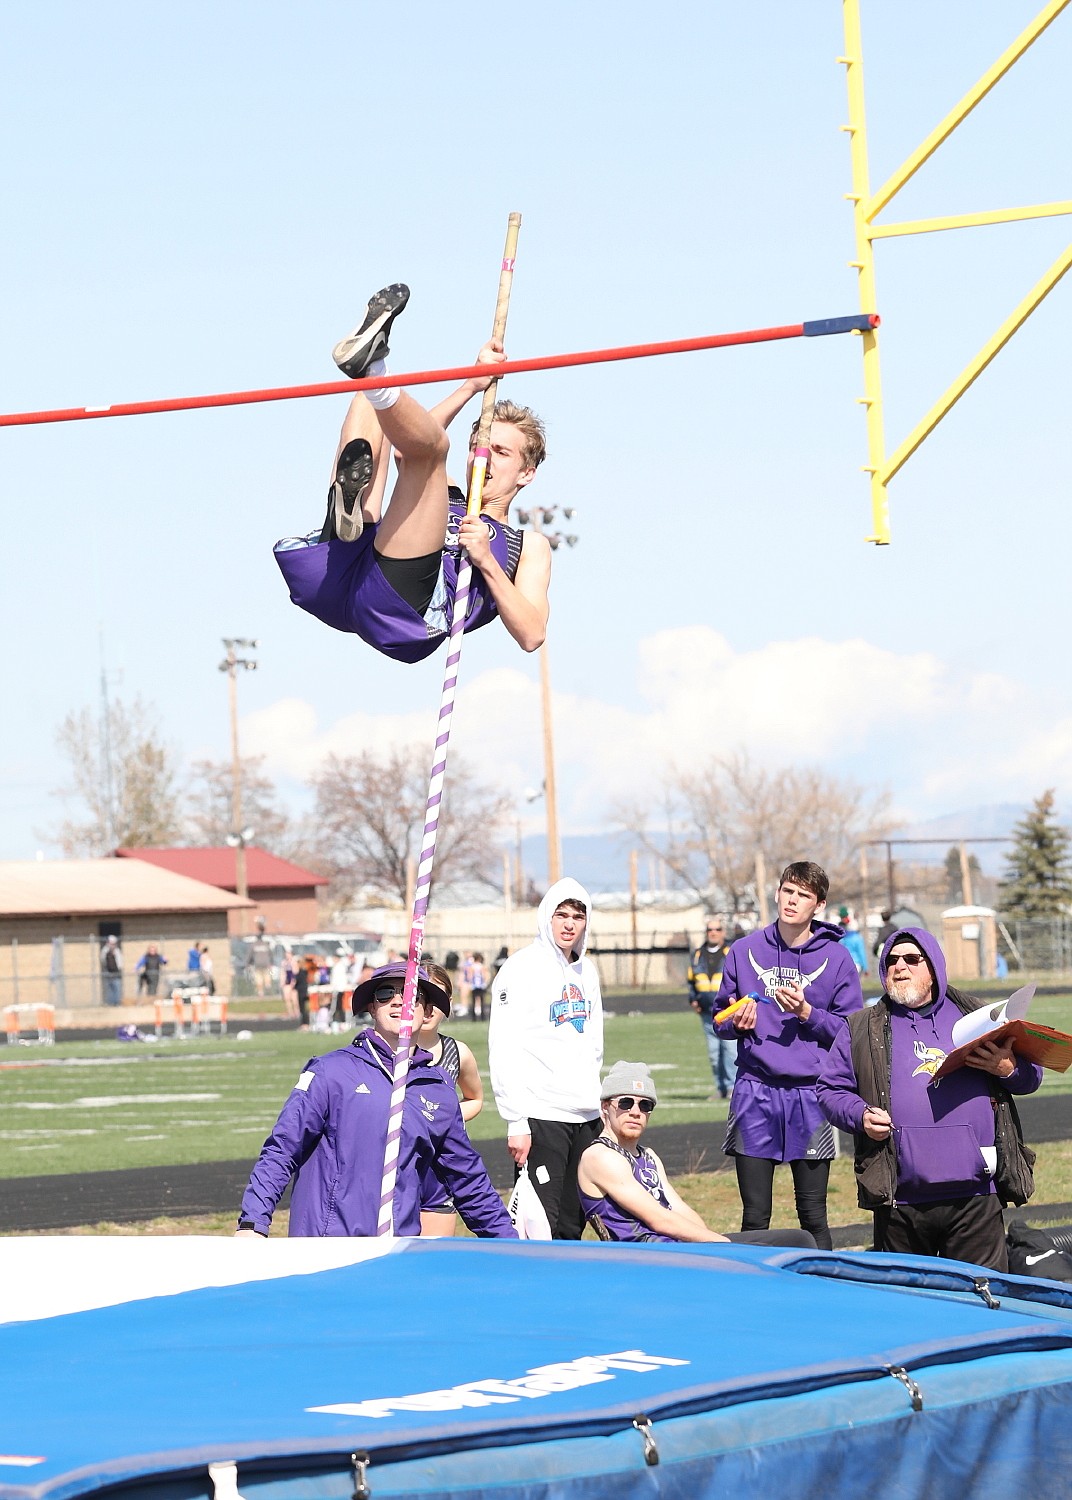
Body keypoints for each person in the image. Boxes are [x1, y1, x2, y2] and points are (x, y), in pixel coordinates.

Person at [274, 284, 551, 664]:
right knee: (374, 404)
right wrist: (471, 385)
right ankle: (349, 512)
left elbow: (532, 634)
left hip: (402, 611)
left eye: (499, 452)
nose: (481, 458)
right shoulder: (448, 494)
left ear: (526, 474)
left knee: (430, 451)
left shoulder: (528, 546)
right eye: (477, 447)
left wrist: (485, 559)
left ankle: (373, 371)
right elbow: (406, 447)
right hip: (346, 578)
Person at [817, 927, 1040, 1271]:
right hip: (900, 1197)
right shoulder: (860, 1027)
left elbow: (1031, 1077)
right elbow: (830, 1091)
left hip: (976, 1197)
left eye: (911, 959)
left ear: (933, 966)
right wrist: (859, 1116)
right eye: (891, 961)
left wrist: (1007, 1068)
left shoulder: (978, 1016)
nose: (900, 967)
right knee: (909, 1311)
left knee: (980, 1303)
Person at [237, 962, 514, 1238]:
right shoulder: (330, 1072)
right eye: (385, 994)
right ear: (372, 1006)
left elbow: (468, 1182)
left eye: (411, 995)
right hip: (325, 1252)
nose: (397, 1001)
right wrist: (253, 1223)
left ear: (428, 1010)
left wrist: (510, 1244)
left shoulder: (437, 1089)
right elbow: (282, 1149)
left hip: (395, 1255)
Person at [713, 861, 864, 1250]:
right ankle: (751, 1297)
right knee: (754, 1215)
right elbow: (720, 1020)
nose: (792, 900)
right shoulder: (744, 951)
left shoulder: (837, 959)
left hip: (812, 1096)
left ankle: (822, 1292)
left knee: (813, 1212)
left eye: (804, 895)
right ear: (777, 892)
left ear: (819, 905)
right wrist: (737, 1022)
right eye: (788, 891)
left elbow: (852, 1034)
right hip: (754, 1093)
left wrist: (807, 1014)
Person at [578, 1062, 816, 1249]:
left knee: (798, 1239)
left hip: (677, 1250)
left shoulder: (648, 1155)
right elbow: (658, 1220)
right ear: (605, 1108)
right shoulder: (600, 1156)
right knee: (793, 1244)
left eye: (645, 1105)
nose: (635, 1112)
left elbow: (677, 1208)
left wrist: (712, 1240)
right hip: (646, 1258)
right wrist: (719, 1245)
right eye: (626, 1103)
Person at [488, 877, 603, 1239]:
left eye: (578, 917)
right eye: (561, 915)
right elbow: (503, 1045)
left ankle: (568, 1293)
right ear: (546, 917)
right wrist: (516, 1120)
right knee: (540, 1225)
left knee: (574, 1222)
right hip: (542, 1115)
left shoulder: (588, 971)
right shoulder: (520, 968)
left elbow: (595, 1043)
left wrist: (596, 1106)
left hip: (585, 1115)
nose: (569, 924)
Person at [414, 963, 485, 1237]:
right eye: (423, 997)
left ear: (450, 1003)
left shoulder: (458, 1052)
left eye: (438, 998)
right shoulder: (387, 1049)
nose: (430, 1007)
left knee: (432, 1259)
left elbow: (475, 1099)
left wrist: (443, 1117)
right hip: (395, 1167)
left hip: (438, 1170)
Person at [687, 917, 735, 1099]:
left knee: (730, 1051)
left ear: (723, 932)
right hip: (707, 1012)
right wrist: (693, 999)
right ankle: (720, 1087)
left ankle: (732, 1087)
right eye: (710, 930)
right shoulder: (698, 954)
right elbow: (691, 980)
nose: (713, 932)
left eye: (717, 929)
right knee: (714, 1054)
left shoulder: (731, 952)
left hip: (727, 1011)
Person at [837, 907, 869, 975]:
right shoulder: (857, 938)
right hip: (856, 964)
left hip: (843, 964)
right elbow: (861, 952)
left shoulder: (840, 938)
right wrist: (866, 967)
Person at [249, 923, 274, 998]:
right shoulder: (254, 945)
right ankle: (261, 992)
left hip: (266, 965)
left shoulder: (266, 944)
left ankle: (267, 987)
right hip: (257, 966)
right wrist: (248, 963)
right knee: (258, 980)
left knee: (267, 977)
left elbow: (271, 954)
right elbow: (250, 955)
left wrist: (271, 963)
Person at [100, 935, 123, 1006]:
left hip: (116, 972)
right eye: (111, 943)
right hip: (108, 971)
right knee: (109, 988)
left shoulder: (117, 951)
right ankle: (110, 1003)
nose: (112, 945)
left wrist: (120, 968)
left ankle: (117, 1003)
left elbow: (120, 962)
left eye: (114, 943)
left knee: (117, 987)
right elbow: (102, 960)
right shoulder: (105, 951)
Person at [468, 952, 488, 1021]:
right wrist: (484, 983)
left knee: (473, 1001)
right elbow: (484, 976)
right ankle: (483, 1017)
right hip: (481, 985)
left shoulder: (472, 966)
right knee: (482, 1001)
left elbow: (470, 977)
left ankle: (474, 1018)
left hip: (474, 985)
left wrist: (470, 984)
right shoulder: (482, 966)